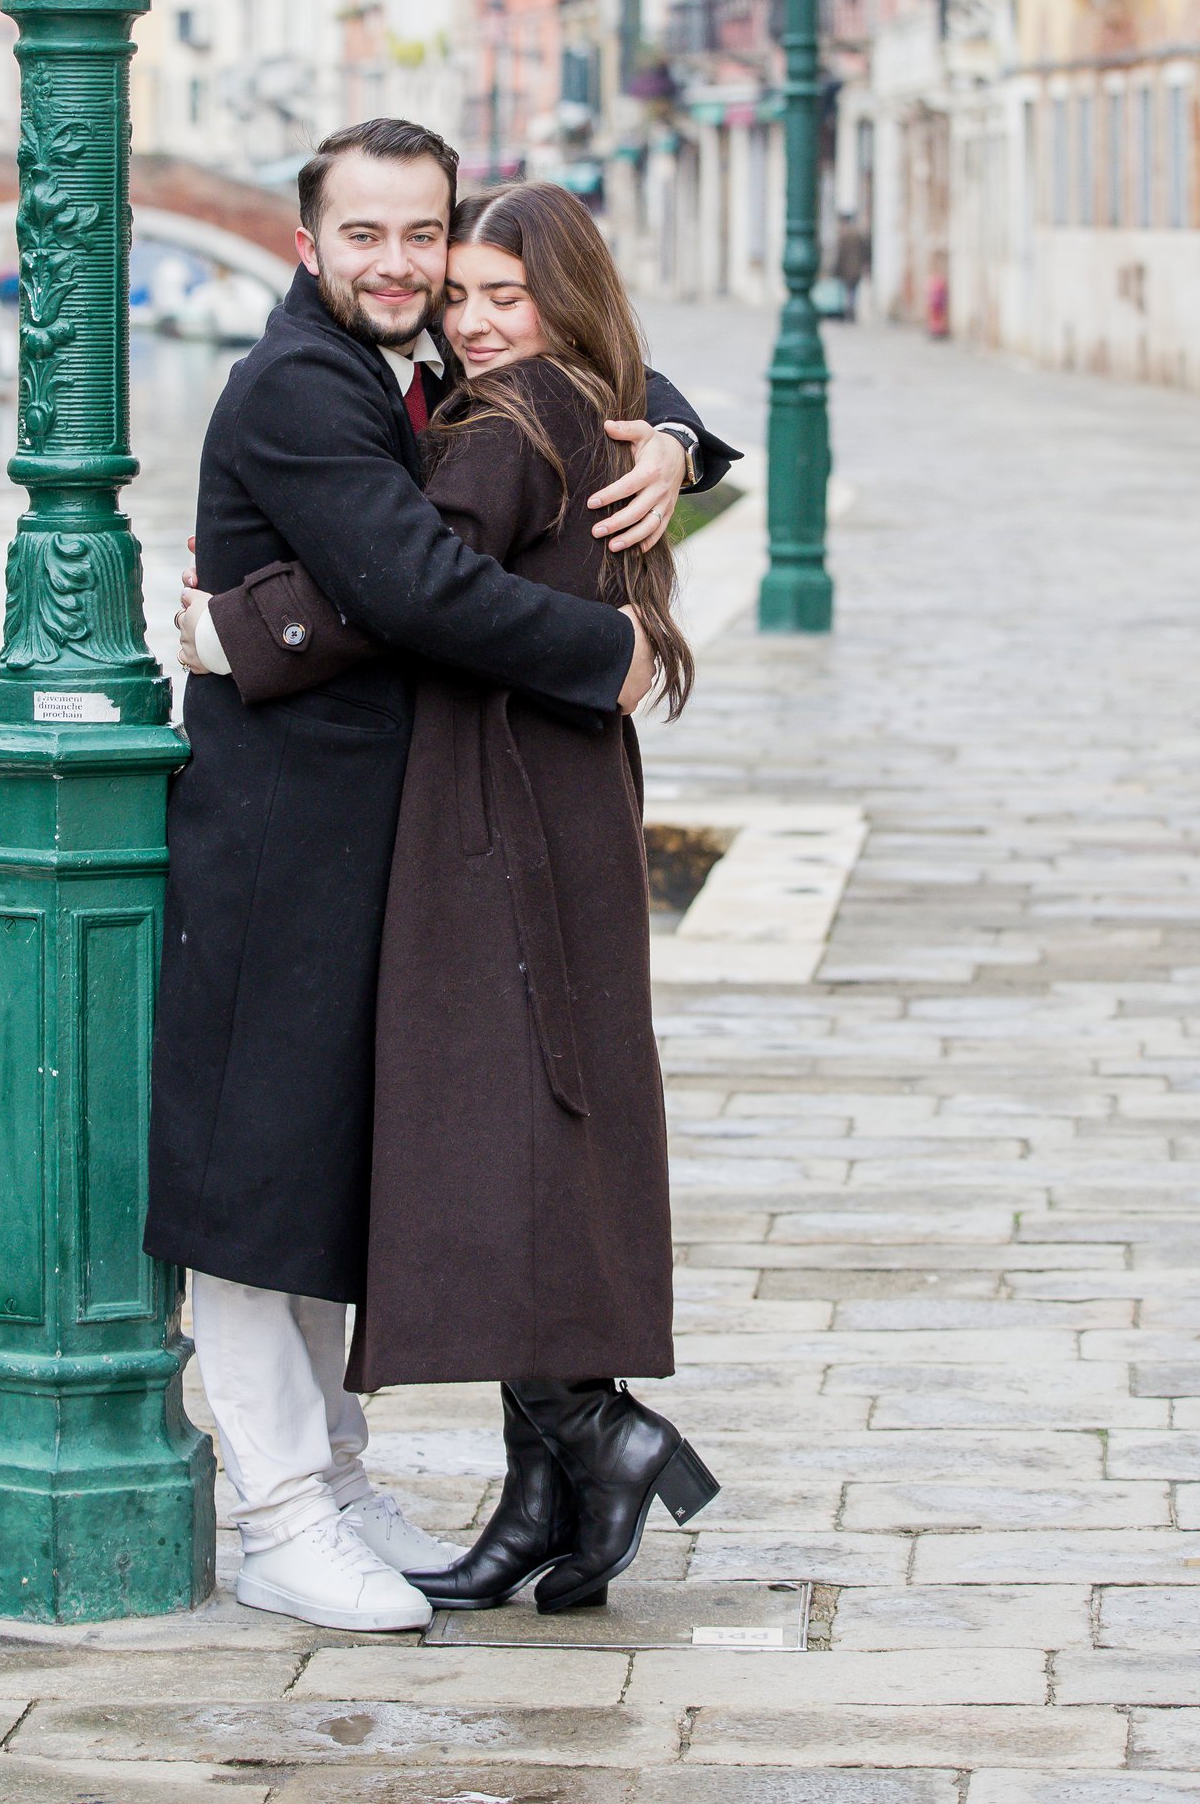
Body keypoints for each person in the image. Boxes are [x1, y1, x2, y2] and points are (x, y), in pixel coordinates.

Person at [147, 118, 736, 1634]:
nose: (412, 272)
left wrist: (674, 439)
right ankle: (280, 1511)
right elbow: (410, 583)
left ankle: (339, 1486)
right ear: (307, 246)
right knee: (249, 1182)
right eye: (371, 240)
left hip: (385, 831)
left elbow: (569, 366)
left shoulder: (424, 364)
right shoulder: (297, 384)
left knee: (325, 1170)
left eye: (431, 241)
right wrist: (610, 650)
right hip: (281, 829)